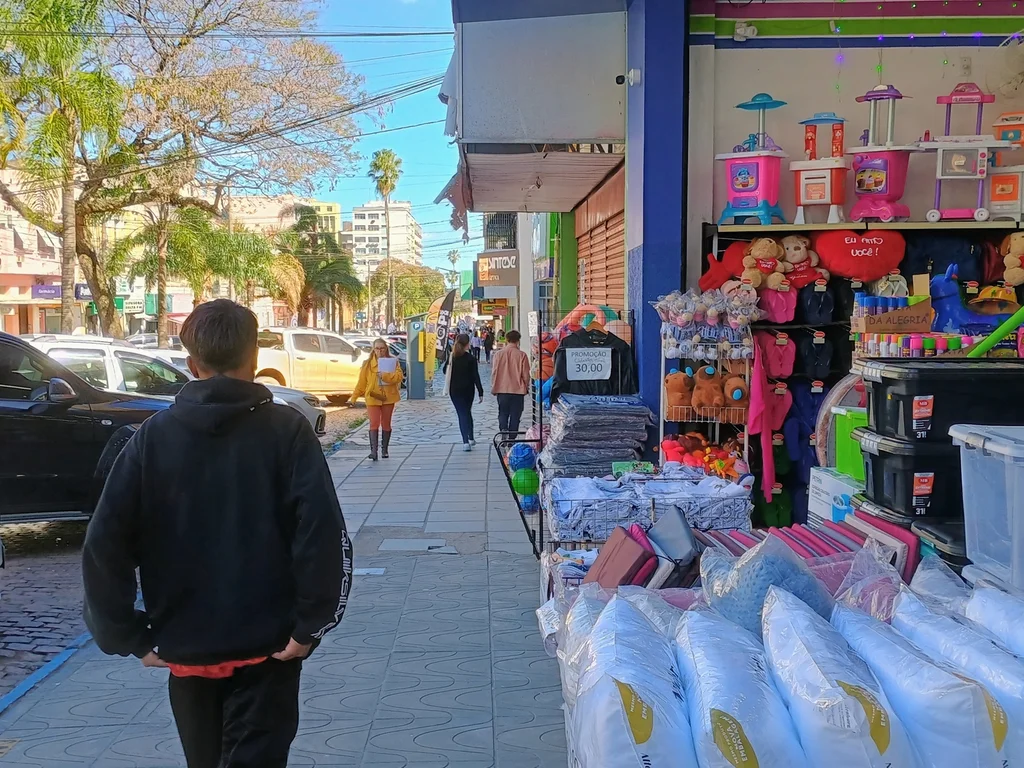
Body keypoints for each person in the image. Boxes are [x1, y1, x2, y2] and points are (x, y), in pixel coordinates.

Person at [81, 300, 351, 768]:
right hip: (269, 648)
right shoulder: (287, 431)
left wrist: (126, 635)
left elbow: (104, 543)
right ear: (254, 359)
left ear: (191, 365)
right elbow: (322, 534)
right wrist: (311, 623)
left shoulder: (150, 438)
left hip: (187, 648)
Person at [351, 337, 404, 461]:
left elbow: (399, 377)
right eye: (377, 348)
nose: (380, 351)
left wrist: (385, 375)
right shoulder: (368, 364)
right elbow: (362, 382)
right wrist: (354, 396)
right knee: (374, 423)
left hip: (388, 397)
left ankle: (384, 450)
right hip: (373, 396)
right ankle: (373, 451)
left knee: (386, 423)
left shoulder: (393, 361)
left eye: (382, 348)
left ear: (386, 349)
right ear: (373, 350)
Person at [444, 333, 483, 451]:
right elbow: (476, 376)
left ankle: (466, 441)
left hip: (454, 390)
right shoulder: (471, 358)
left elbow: (444, 371)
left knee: (462, 414)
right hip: (468, 390)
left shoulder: (452, 357)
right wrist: (480, 392)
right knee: (467, 412)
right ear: (467, 344)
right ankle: (470, 438)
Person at [490, 329, 530, 436]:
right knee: (515, 415)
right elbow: (526, 375)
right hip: (517, 390)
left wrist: (494, 386)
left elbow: (494, 372)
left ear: (506, 340)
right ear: (518, 340)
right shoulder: (522, 355)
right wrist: (526, 387)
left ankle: (503, 431)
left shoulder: (498, 355)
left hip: (502, 389)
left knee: (503, 413)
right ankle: (512, 438)